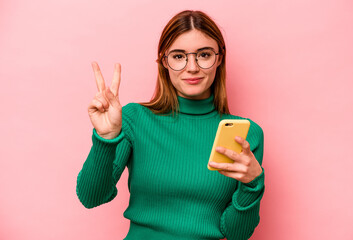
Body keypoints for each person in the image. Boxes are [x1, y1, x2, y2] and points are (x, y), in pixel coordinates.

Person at [76, 10, 265, 240]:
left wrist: (253, 185)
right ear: (164, 62)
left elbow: (237, 234)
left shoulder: (247, 135)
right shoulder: (134, 119)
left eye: (204, 54)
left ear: (219, 58)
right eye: (178, 56)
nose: (192, 67)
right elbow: (91, 197)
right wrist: (105, 140)